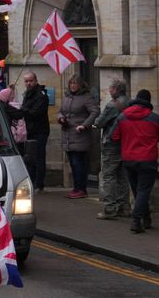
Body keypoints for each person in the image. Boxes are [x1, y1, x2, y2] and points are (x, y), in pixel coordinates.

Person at [111, 89, 159, 233]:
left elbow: (114, 137)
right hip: (147, 159)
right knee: (143, 191)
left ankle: (146, 218)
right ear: (148, 102)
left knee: (138, 191)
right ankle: (136, 221)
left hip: (129, 159)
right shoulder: (155, 118)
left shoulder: (122, 117)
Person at [58, 75, 100, 199]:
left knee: (78, 163)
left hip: (79, 135)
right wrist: (60, 118)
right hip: (67, 135)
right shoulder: (67, 97)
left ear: (81, 85)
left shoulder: (86, 98)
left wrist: (84, 125)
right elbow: (59, 111)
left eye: (75, 83)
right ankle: (76, 188)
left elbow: (95, 111)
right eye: (71, 83)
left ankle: (81, 188)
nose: (73, 85)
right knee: (72, 163)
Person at [94, 78, 131, 219]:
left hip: (111, 144)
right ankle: (124, 207)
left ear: (115, 90)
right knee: (123, 176)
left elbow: (99, 122)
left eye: (111, 88)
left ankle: (109, 208)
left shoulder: (112, 105)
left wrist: (97, 121)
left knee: (109, 176)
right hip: (125, 143)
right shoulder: (129, 102)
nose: (109, 91)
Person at [8, 72, 50, 191]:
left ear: (36, 80)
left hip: (40, 131)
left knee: (39, 158)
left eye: (30, 81)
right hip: (29, 131)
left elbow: (35, 112)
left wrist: (22, 109)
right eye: (26, 81)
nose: (28, 83)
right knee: (30, 158)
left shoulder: (41, 95)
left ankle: (39, 184)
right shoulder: (28, 94)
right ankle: (32, 182)